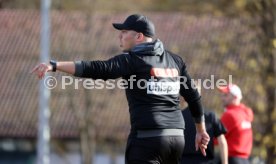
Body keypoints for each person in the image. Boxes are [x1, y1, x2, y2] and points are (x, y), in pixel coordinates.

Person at [31, 14, 210, 164]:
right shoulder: (175, 60)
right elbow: (194, 96)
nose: (120, 36)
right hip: (176, 140)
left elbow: (98, 69)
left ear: (139, 36)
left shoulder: (132, 60)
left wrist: (56, 65)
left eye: (124, 32)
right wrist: (201, 131)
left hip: (147, 140)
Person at [182, 83, 228, 164]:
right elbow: (222, 142)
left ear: (185, 97)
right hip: (205, 161)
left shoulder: (179, 116)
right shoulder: (210, 115)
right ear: (199, 95)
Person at [218, 84, 253, 164]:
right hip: (245, 160)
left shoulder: (230, 114)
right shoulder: (245, 113)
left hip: (231, 159)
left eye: (226, 95)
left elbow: (216, 138)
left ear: (235, 97)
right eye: (222, 95)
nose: (222, 98)